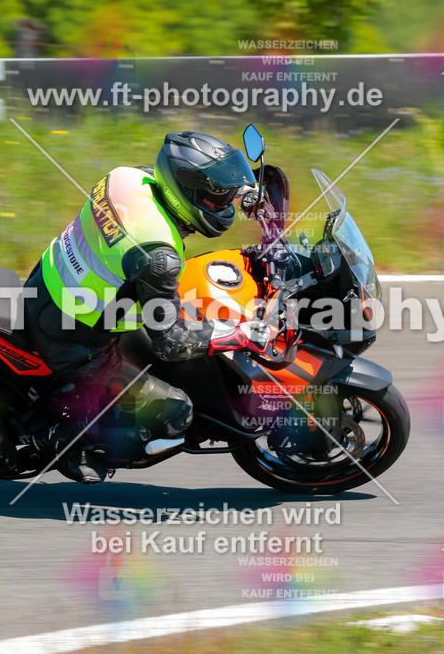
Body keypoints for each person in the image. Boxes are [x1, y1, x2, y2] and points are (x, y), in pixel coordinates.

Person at [24, 131, 273, 484]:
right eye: (217, 198)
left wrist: (240, 191)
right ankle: (72, 443)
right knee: (176, 409)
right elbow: (171, 343)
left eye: (225, 196)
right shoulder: (159, 258)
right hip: (72, 341)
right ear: (185, 192)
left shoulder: (128, 177)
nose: (224, 206)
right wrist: (237, 335)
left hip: (51, 281)